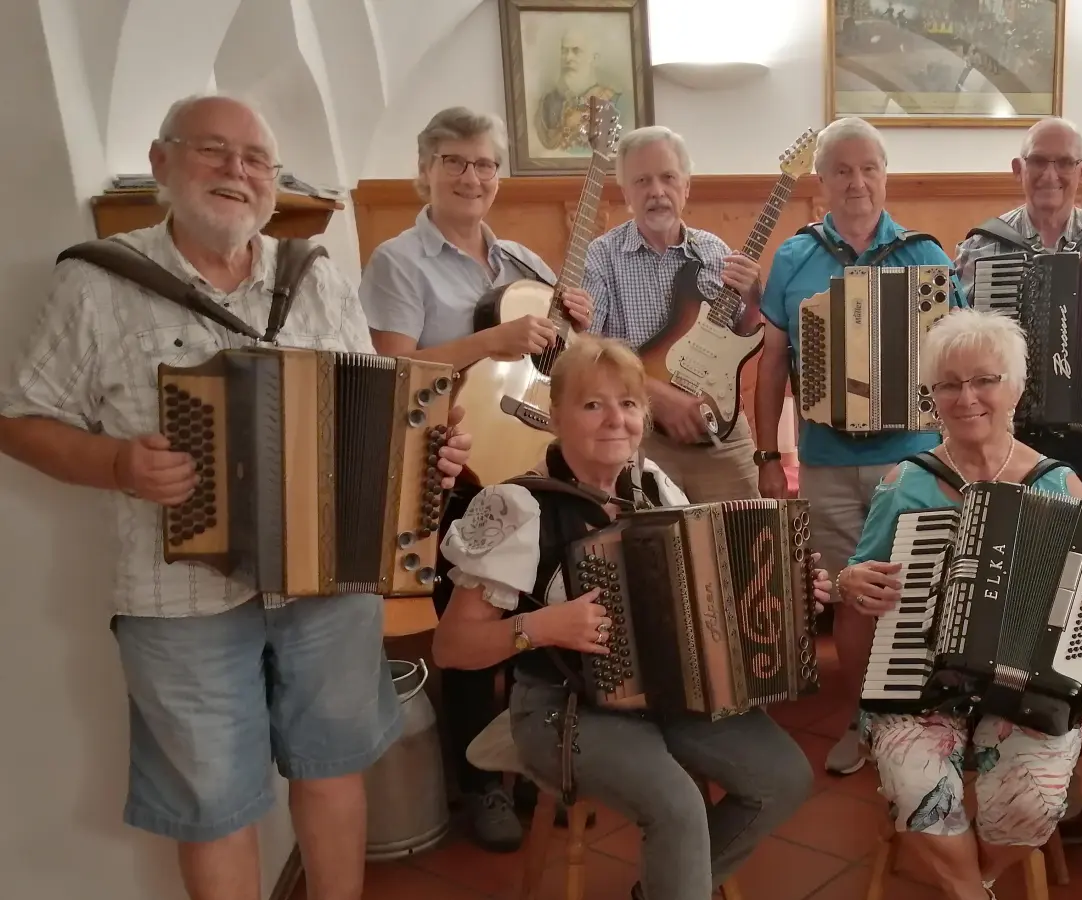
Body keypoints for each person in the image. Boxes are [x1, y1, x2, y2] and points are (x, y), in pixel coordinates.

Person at [0, 93, 473, 900]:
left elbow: (377, 412)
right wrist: (118, 463)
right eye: (213, 151)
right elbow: (19, 421)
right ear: (161, 162)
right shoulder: (97, 282)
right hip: (177, 596)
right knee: (213, 804)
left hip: (329, 580)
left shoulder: (314, 277)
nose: (237, 172)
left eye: (255, 160)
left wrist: (428, 451)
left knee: (332, 770)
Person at [431, 335, 821, 900]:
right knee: (679, 807)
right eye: (593, 405)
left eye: (630, 404)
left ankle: (667, 888)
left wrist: (787, 589)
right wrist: (541, 627)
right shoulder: (516, 506)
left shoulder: (652, 484)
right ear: (555, 415)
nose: (616, 420)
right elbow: (452, 648)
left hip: (668, 692)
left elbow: (711, 586)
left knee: (783, 778)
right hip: (561, 705)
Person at [836, 309, 1082, 900]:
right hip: (918, 681)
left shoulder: (1062, 484)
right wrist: (852, 581)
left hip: (1025, 689)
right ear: (931, 396)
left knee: (1034, 799)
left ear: (1017, 388)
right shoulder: (905, 482)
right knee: (917, 783)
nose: (965, 397)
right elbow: (862, 577)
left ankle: (973, 879)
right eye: (947, 384)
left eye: (984, 380)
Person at [359, 105, 594, 851]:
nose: (472, 177)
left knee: (541, 610)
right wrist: (488, 337)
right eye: (456, 162)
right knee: (471, 624)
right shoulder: (398, 262)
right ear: (425, 169)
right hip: (449, 470)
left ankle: (534, 749)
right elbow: (394, 375)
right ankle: (479, 783)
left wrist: (576, 321)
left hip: (526, 465)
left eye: (486, 164)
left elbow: (557, 365)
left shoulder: (524, 261)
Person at [753, 115, 968, 777]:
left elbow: (958, 363)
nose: (856, 182)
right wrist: (766, 455)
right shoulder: (793, 257)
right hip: (825, 462)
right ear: (820, 182)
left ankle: (934, 722)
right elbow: (770, 368)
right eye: (841, 170)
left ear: (884, 175)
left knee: (925, 593)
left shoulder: (927, 254)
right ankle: (865, 720)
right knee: (852, 596)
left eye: (868, 168)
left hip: (914, 462)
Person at [953, 116, 1082, 504]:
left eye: (1064, 163)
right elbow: (959, 338)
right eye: (1038, 161)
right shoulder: (983, 246)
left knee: (1081, 540)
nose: (1050, 174)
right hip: (1005, 431)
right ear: (1018, 169)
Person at [584, 125, 764, 503]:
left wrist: (753, 294)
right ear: (627, 193)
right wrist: (657, 397)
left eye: (668, 178)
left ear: (686, 187)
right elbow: (587, 350)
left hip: (721, 433)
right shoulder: (602, 257)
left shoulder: (715, 251)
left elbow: (743, 334)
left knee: (748, 545)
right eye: (642, 181)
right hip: (641, 434)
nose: (656, 192)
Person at [536, 27, 626, 153]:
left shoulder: (616, 101)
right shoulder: (548, 103)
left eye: (576, 51)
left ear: (594, 58)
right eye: (564, 51)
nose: (568, 58)